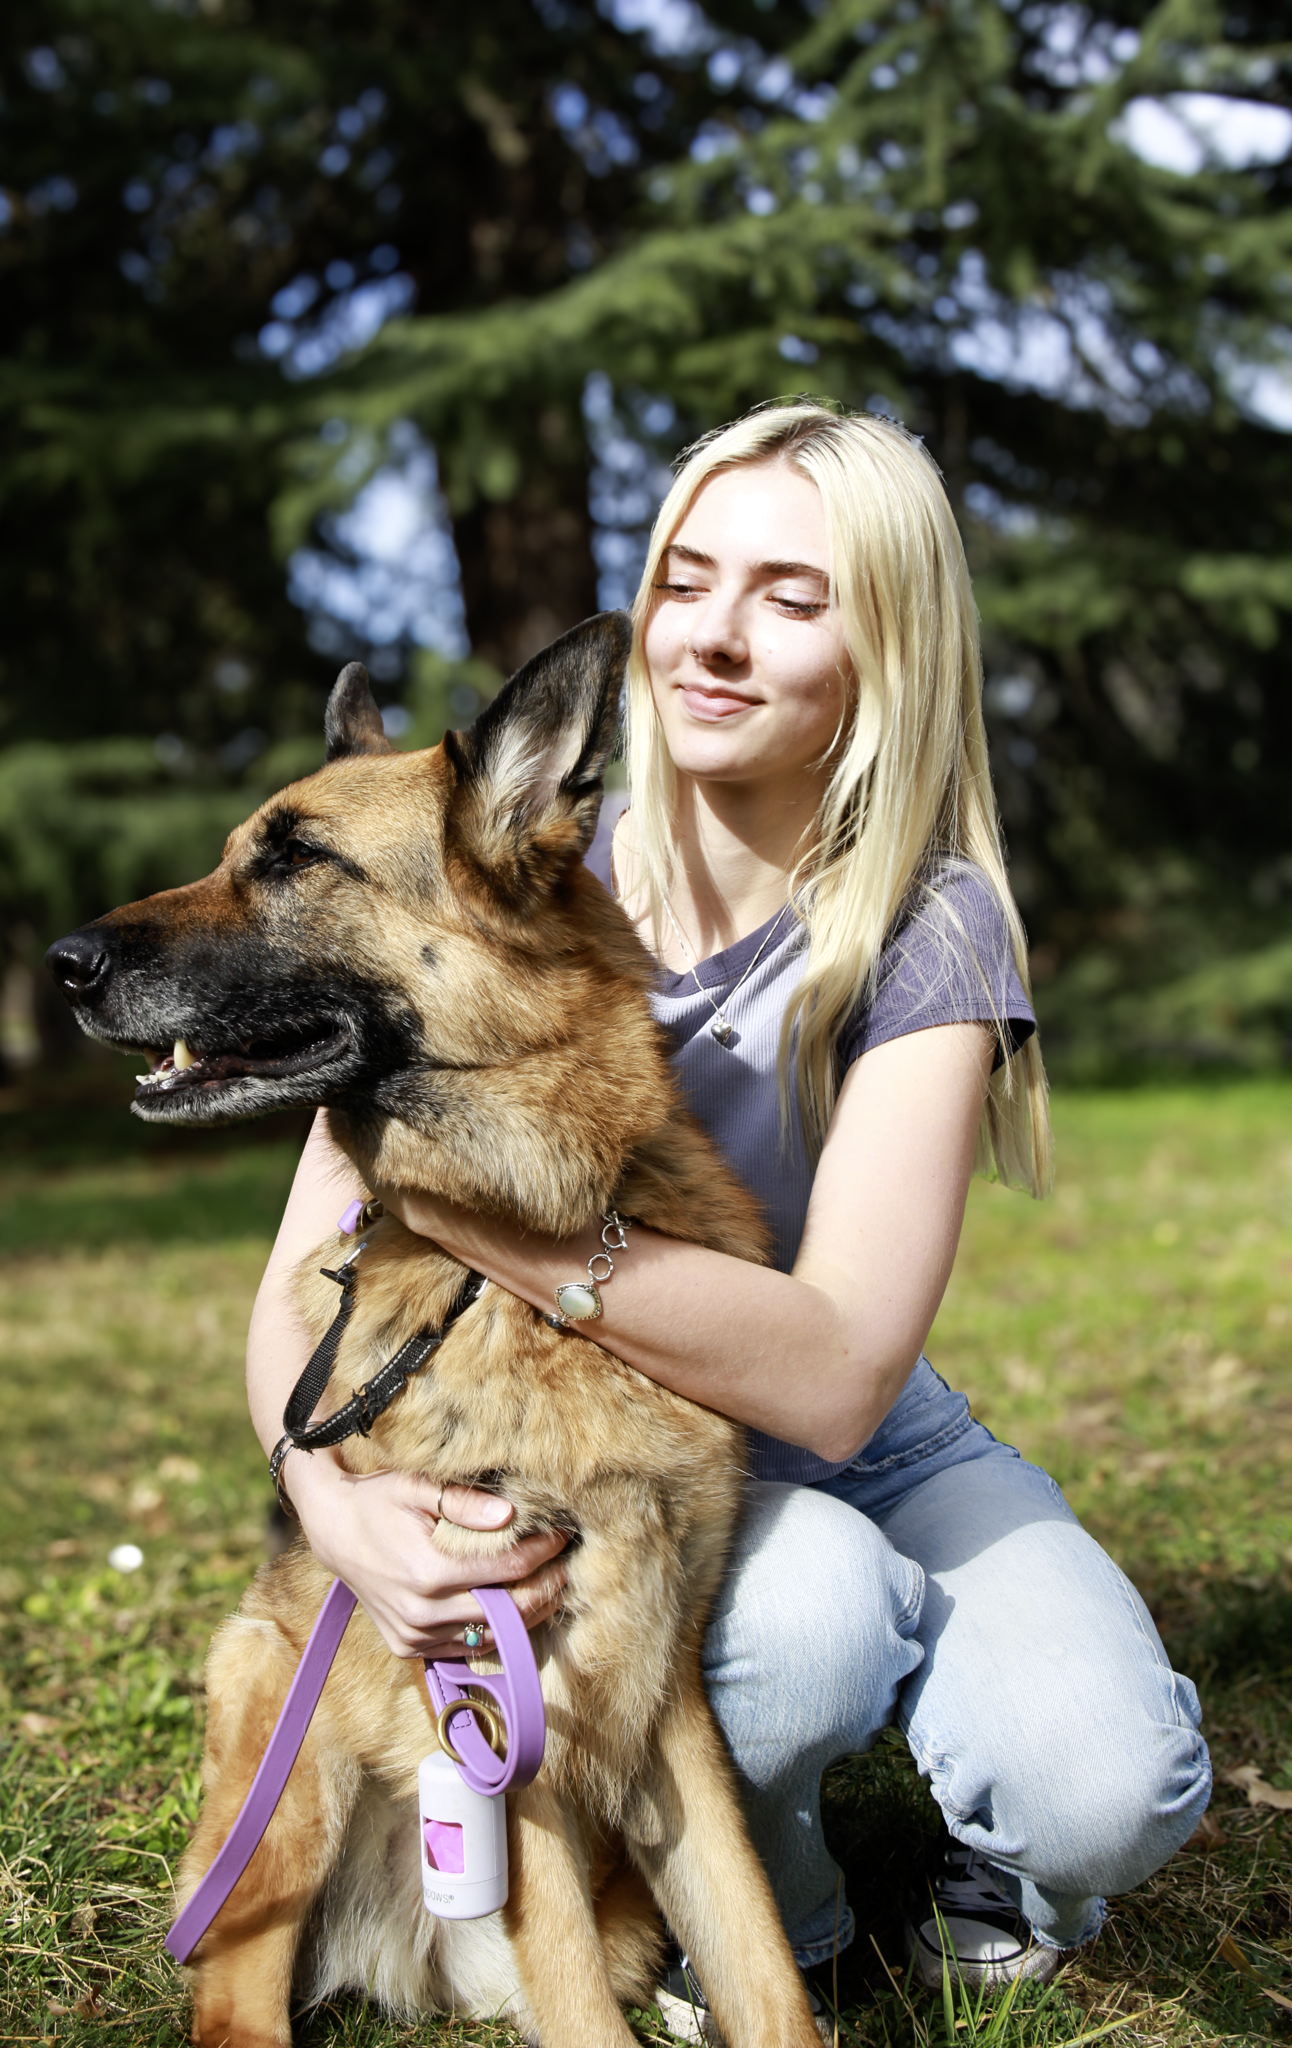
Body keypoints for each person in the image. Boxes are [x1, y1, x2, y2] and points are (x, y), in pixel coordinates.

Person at [247, 402, 1211, 2030]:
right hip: (605, 1434)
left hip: (858, 1423)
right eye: (690, 576)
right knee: (802, 1630)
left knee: (1107, 1784)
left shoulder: (931, 921)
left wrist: (500, 1228)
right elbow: (297, 1290)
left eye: (792, 593)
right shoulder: (519, 867)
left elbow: (837, 1374)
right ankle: (791, 1912)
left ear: (885, 644)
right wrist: (336, 1511)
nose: (714, 634)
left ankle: (996, 1859)